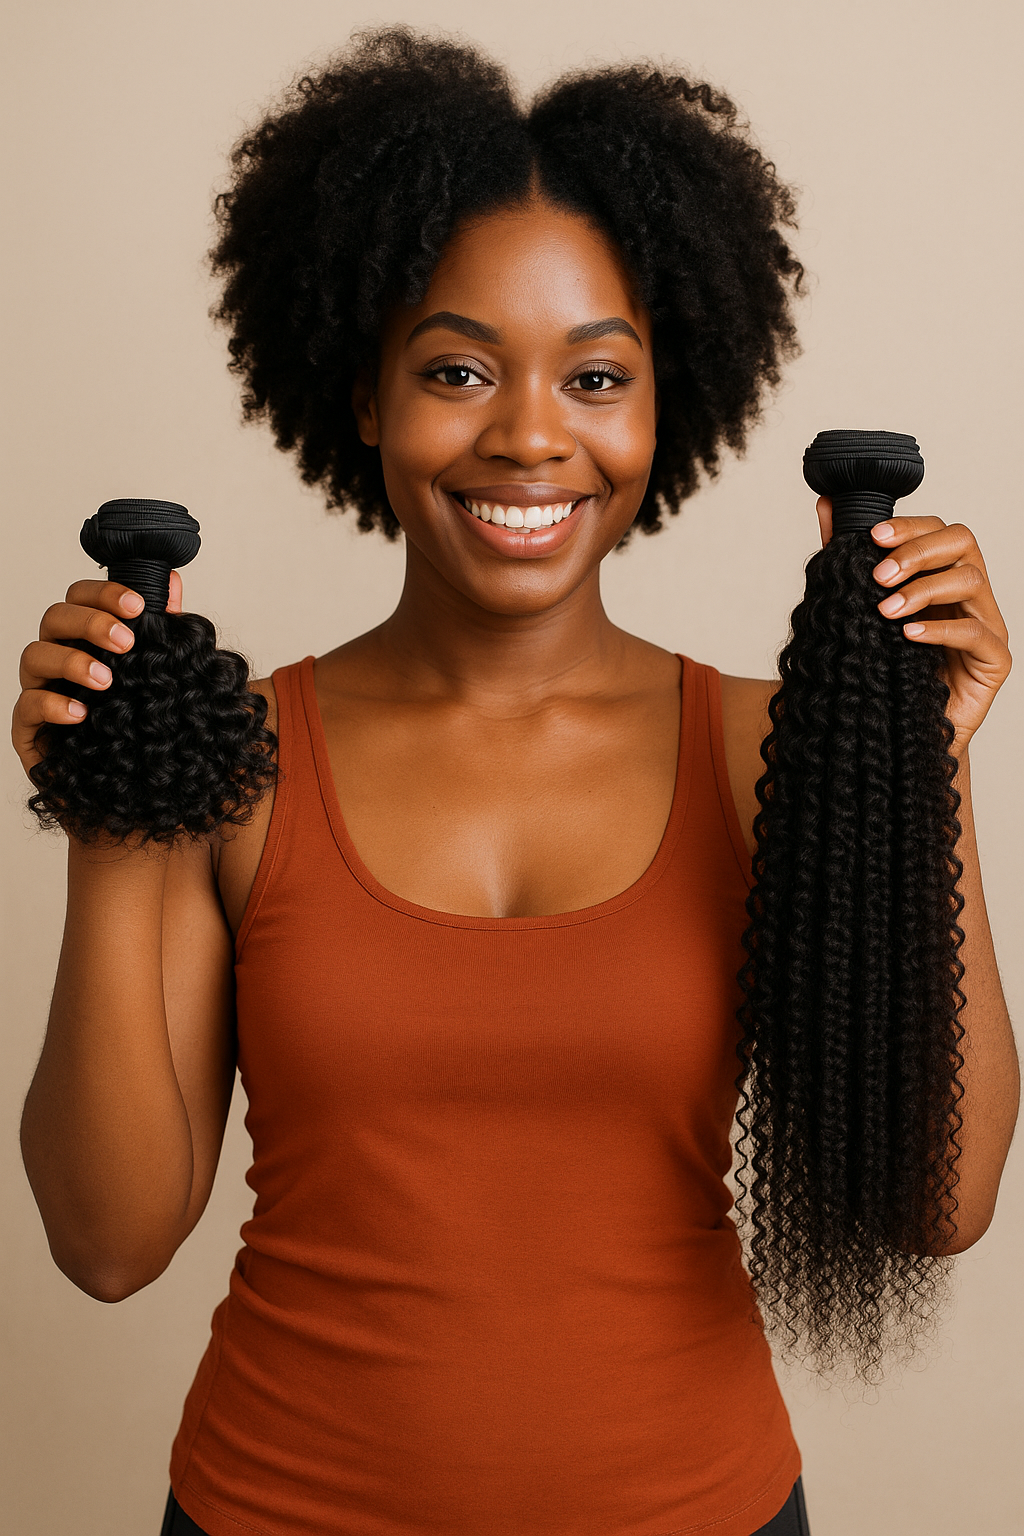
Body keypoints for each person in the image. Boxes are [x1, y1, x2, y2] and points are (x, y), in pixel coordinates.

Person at [12, 26, 1017, 1536]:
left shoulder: (768, 754)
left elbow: (932, 1212)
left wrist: (911, 773)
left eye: (597, 374)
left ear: (667, 403)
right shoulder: (242, 762)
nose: (533, 435)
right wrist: (113, 801)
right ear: (364, 394)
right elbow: (107, 1242)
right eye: (458, 368)